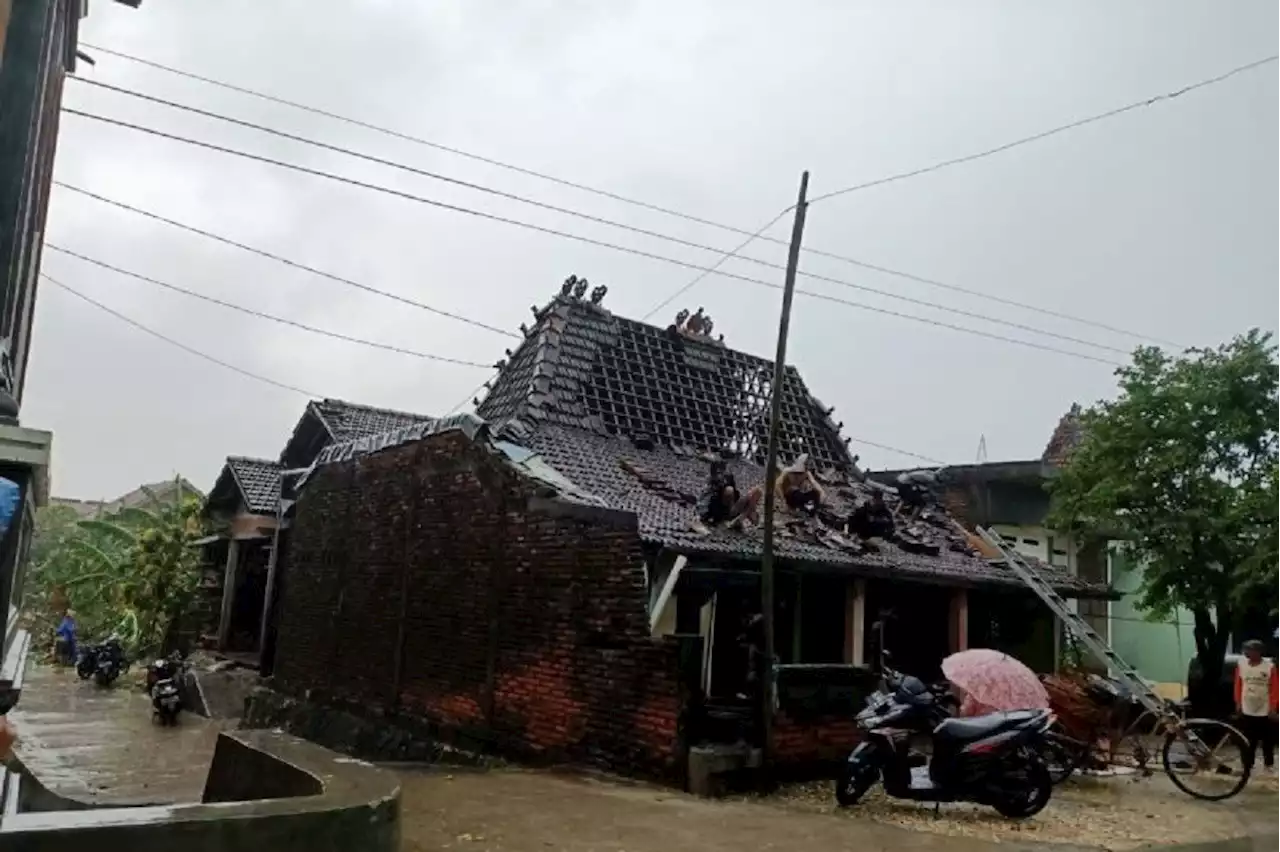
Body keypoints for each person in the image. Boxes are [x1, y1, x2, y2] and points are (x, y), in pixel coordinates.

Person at [1234, 639, 1279, 774]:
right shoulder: (1241, 665)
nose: (1248, 653)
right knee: (1248, 739)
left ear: (1259, 652)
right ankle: (1247, 764)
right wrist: (1238, 702)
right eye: (1246, 650)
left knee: (1267, 740)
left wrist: (1273, 707)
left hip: (1264, 708)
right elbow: (1238, 685)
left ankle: (1268, 765)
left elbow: (1275, 688)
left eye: (1251, 650)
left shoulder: (1269, 666)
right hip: (1247, 707)